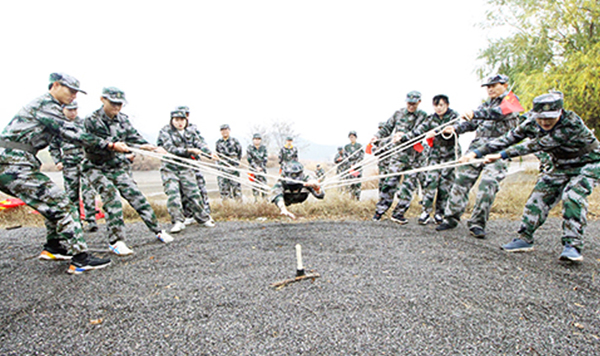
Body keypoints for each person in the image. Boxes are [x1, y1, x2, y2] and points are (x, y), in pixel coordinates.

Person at [0, 73, 127, 274]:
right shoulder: (46, 105)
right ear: (56, 85)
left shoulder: (49, 107)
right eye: (71, 91)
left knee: (50, 203)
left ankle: (54, 247)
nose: (74, 96)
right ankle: (81, 259)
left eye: (76, 92)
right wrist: (109, 145)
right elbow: (71, 133)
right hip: (14, 164)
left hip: (14, 163)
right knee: (63, 203)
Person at [461, 92, 599, 262]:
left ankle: (572, 246)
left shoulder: (571, 123)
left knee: (572, 195)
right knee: (538, 197)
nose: (545, 122)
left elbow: (536, 145)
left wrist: (501, 155)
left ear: (560, 113)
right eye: (541, 117)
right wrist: (476, 152)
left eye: (550, 117)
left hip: (589, 164)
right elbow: (510, 137)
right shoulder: (531, 123)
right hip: (561, 165)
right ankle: (524, 238)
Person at [83, 87, 173, 256]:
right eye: (113, 103)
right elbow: (94, 142)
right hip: (95, 166)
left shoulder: (123, 119)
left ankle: (158, 230)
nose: (117, 107)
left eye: (120, 104)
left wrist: (150, 146)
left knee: (136, 196)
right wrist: (115, 147)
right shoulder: (91, 120)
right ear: (103, 99)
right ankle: (116, 241)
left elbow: (134, 137)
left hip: (115, 165)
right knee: (111, 197)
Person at [436, 74, 520, 238]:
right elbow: (472, 123)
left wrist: (475, 113)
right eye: (488, 86)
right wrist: (456, 129)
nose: (490, 89)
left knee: (488, 184)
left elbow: (498, 113)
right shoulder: (485, 105)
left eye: (494, 85)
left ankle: (477, 223)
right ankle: (451, 218)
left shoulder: (511, 101)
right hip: (477, 147)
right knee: (461, 180)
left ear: (504, 85)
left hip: (498, 150)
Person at [402, 95, 460, 225]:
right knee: (431, 182)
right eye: (436, 105)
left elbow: (455, 129)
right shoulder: (431, 119)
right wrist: (403, 138)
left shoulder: (454, 116)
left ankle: (440, 213)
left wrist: (438, 131)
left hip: (449, 155)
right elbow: (419, 131)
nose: (438, 108)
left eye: (441, 105)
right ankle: (425, 212)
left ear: (447, 105)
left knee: (445, 185)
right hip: (435, 155)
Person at [371, 90, 428, 223]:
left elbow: (421, 132)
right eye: (409, 103)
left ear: (419, 102)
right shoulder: (398, 114)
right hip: (398, 155)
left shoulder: (423, 116)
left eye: (414, 103)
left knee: (409, 186)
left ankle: (399, 213)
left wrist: (403, 136)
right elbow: (387, 128)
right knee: (390, 182)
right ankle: (380, 211)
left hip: (415, 156)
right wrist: (377, 136)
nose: (411, 106)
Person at [157, 110, 216, 233]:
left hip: (186, 167)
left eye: (182, 120)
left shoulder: (190, 131)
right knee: (173, 194)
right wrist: (190, 151)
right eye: (176, 120)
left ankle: (203, 218)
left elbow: (199, 143)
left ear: (186, 120)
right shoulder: (165, 131)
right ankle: (178, 221)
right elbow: (170, 148)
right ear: (172, 120)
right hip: (170, 167)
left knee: (193, 193)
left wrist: (209, 153)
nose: (179, 123)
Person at [48, 101, 99, 232]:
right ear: (63, 110)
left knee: (89, 191)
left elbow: (92, 140)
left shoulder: (83, 124)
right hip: (69, 163)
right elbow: (53, 146)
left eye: (75, 110)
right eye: (70, 110)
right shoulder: (59, 125)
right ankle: (76, 221)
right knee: (72, 193)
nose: (73, 112)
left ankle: (91, 219)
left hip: (84, 161)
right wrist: (57, 161)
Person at [176, 105, 213, 222]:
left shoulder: (192, 128)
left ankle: (205, 212)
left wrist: (208, 152)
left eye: (186, 114)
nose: (184, 117)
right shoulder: (171, 130)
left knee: (200, 186)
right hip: (180, 164)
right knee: (183, 190)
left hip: (193, 162)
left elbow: (201, 142)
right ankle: (189, 215)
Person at [215, 124, 242, 200]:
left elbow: (239, 153)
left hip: (233, 168)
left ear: (229, 131)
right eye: (222, 130)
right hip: (222, 169)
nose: (224, 132)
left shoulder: (235, 141)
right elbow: (218, 154)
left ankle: (239, 206)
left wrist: (235, 163)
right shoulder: (218, 143)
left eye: (226, 130)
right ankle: (226, 206)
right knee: (223, 188)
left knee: (236, 188)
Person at [246, 133, 269, 200]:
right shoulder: (250, 148)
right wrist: (256, 167)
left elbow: (265, 158)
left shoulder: (263, 148)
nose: (257, 141)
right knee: (255, 185)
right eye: (255, 139)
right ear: (253, 140)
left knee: (263, 185)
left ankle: (265, 200)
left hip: (262, 169)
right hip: (253, 169)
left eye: (258, 139)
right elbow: (249, 159)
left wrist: (261, 167)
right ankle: (256, 199)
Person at [373, 122, 392, 194]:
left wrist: (382, 150)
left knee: (390, 182)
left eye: (382, 128)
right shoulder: (378, 140)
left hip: (389, 163)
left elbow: (392, 148)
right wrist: (376, 150)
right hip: (381, 164)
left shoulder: (391, 138)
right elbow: (375, 150)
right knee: (381, 182)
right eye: (379, 129)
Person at [344, 131, 364, 200]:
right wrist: (350, 165)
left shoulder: (359, 146)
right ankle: (352, 197)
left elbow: (361, 156)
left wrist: (356, 164)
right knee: (351, 182)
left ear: (355, 137)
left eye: (353, 137)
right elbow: (345, 157)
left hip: (357, 167)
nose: (351, 138)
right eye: (350, 137)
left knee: (357, 182)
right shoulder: (347, 147)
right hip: (350, 167)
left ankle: (358, 197)